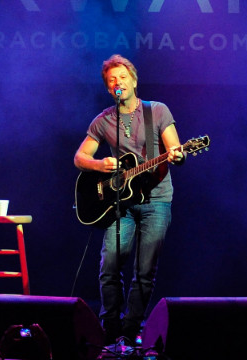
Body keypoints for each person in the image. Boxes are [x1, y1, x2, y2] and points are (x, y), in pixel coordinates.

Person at [74, 54, 185, 344]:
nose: (118, 83)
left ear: (133, 81)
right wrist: (100, 166)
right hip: (119, 203)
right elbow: (80, 157)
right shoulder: (103, 120)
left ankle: (132, 327)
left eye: (122, 77)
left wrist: (178, 154)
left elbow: (175, 149)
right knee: (109, 264)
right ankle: (110, 328)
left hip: (157, 200)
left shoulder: (157, 111)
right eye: (112, 80)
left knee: (145, 270)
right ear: (108, 89)